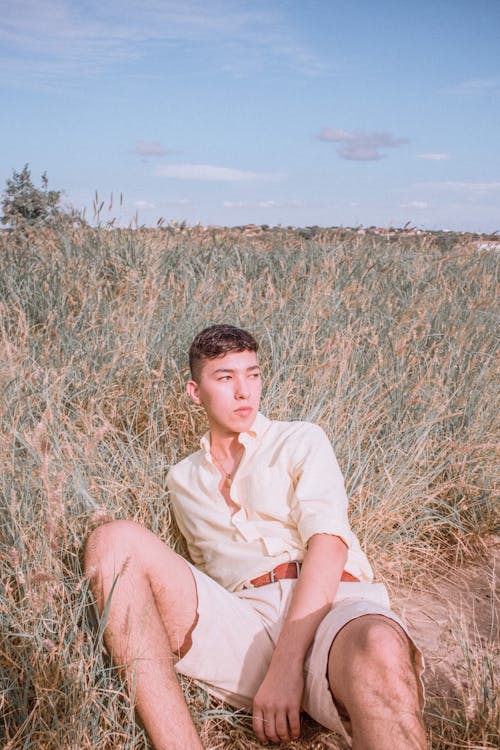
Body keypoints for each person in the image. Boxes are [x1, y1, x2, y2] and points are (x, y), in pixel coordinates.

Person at [85, 324, 426, 750]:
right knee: (112, 541)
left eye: (253, 374)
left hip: (330, 607)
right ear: (195, 392)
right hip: (245, 626)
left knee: (378, 646)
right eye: (226, 378)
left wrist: (287, 667)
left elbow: (329, 543)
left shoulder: (300, 439)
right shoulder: (182, 480)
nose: (244, 391)